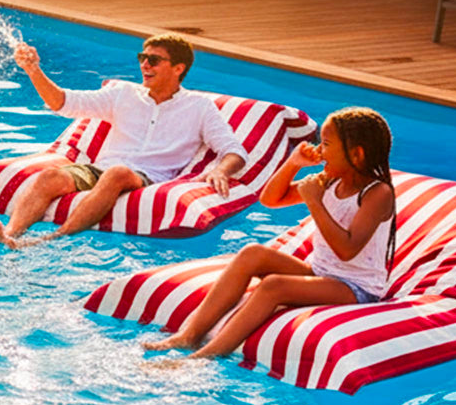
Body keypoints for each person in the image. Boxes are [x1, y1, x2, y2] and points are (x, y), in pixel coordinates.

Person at [143, 107, 397, 358]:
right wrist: (293, 163)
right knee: (252, 254)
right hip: (320, 272)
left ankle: (207, 354)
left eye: (327, 145)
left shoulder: (377, 194)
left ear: (357, 154)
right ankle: (189, 335)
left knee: (274, 285)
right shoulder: (330, 181)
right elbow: (270, 200)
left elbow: (347, 250)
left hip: (355, 287)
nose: (320, 151)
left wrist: (314, 202)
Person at [0, 34, 248, 247]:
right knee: (50, 176)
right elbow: (63, 102)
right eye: (143, 57)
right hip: (101, 170)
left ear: (178, 68)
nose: (144, 65)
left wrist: (221, 170)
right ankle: (10, 233)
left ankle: (50, 238)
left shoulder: (199, 106)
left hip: (148, 177)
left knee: (117, 173)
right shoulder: (122, 93)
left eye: (154, 60)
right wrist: (33, 71)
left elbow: (233, 150)